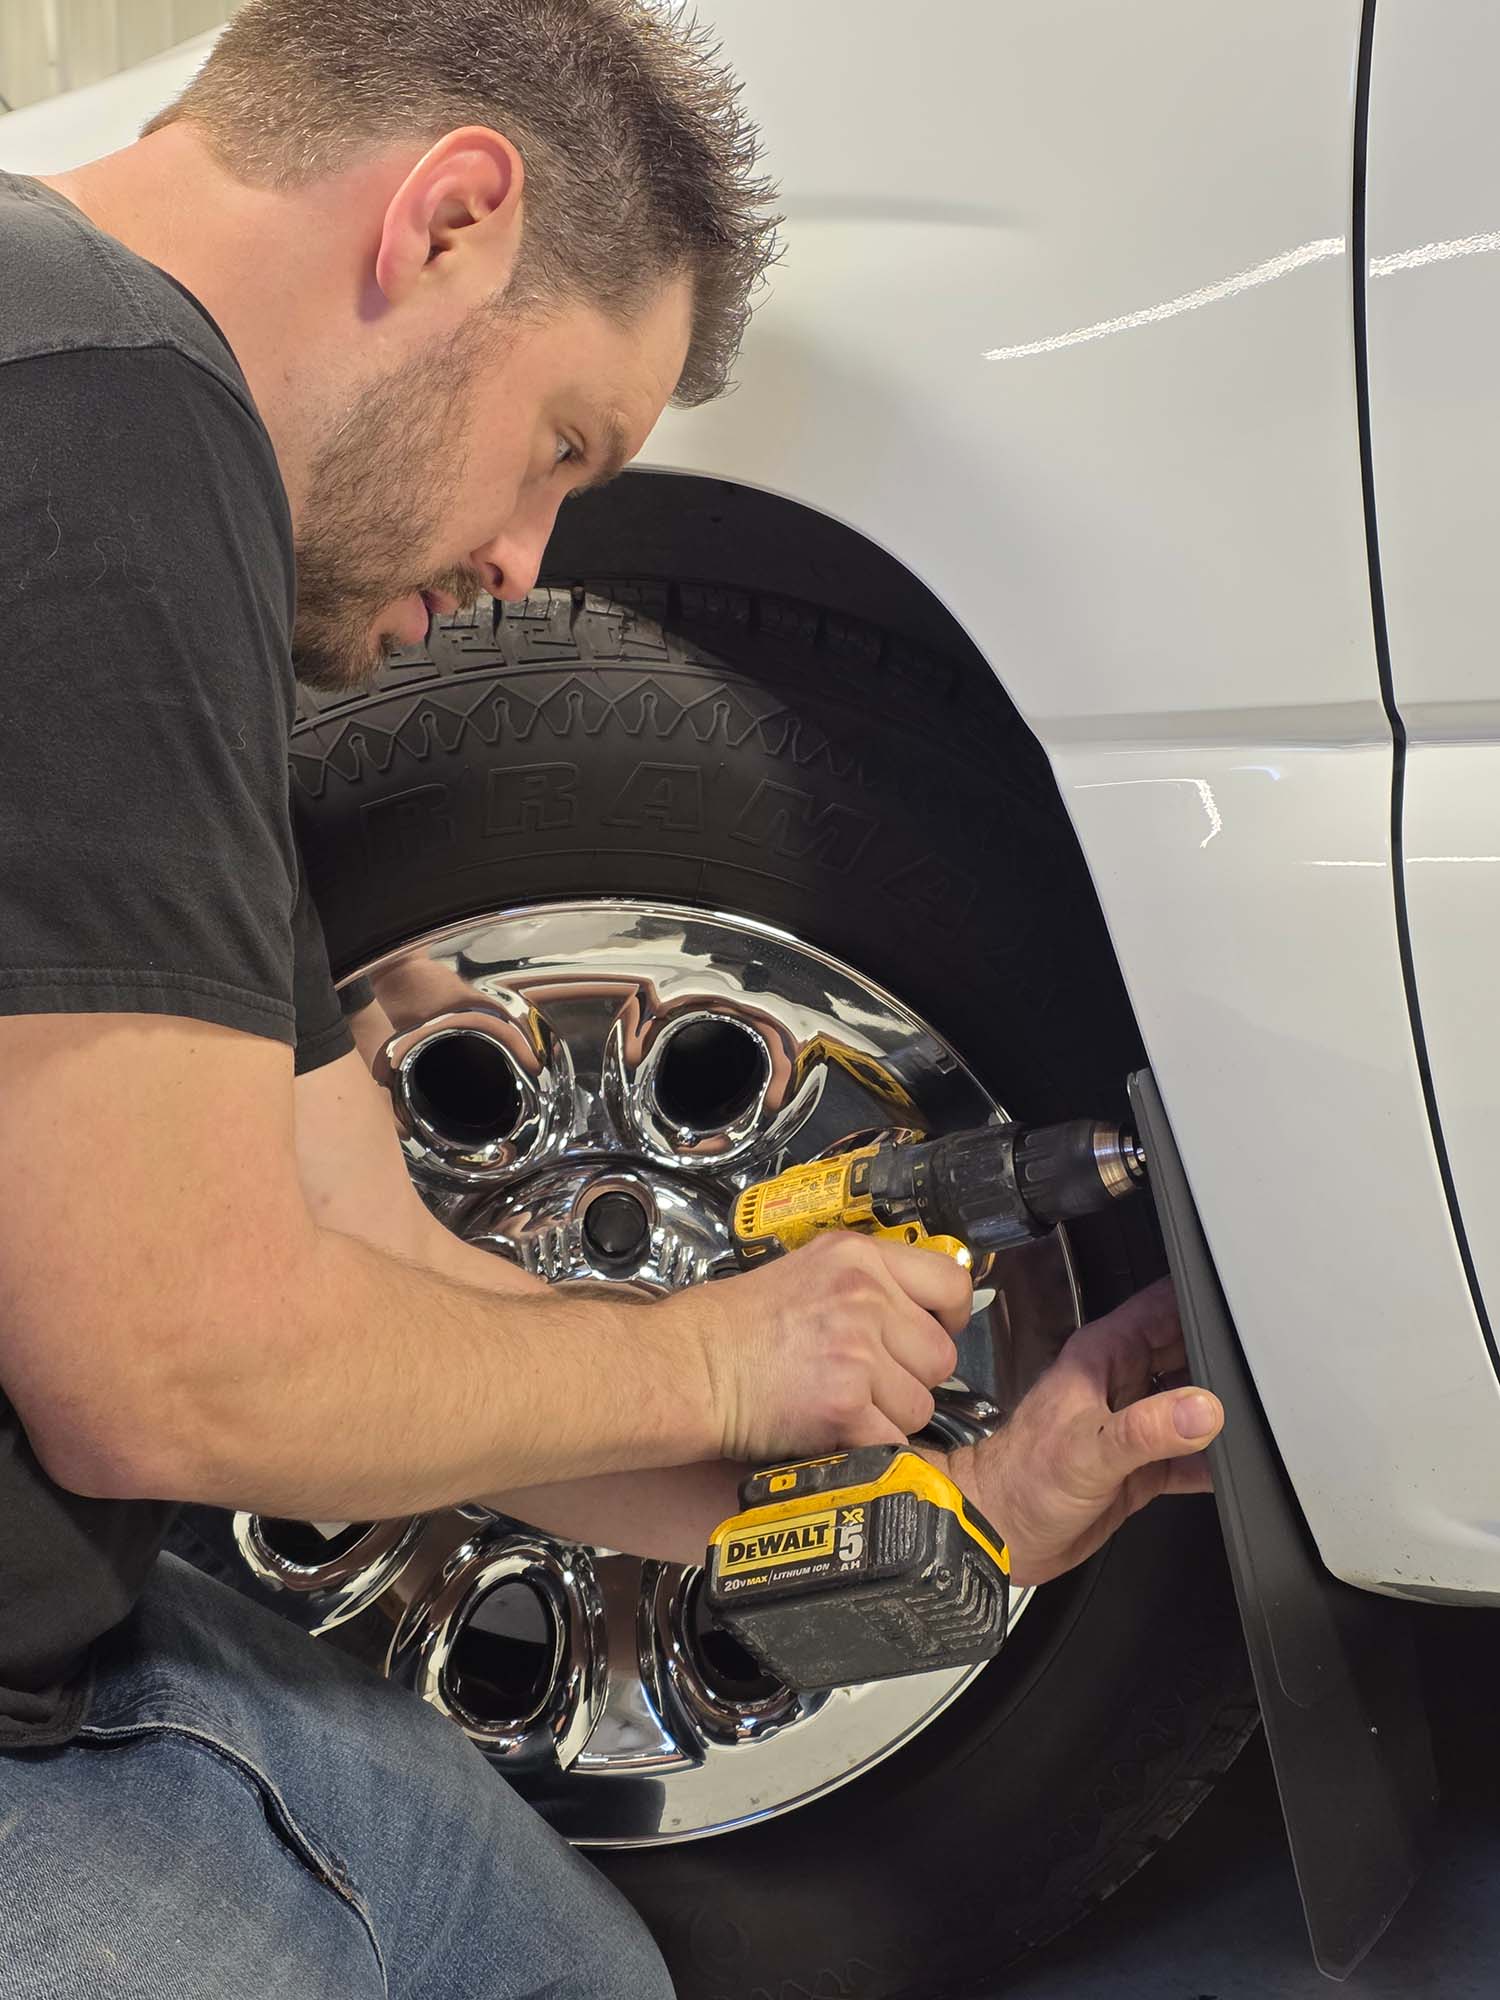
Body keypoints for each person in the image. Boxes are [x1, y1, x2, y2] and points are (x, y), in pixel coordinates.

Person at [0, 3, 1226, 1993]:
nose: (521, 556)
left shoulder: (82, 409)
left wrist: (953, 1517)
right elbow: (183, 1371)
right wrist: (739, 1353)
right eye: (565, 444)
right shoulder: (108, 408)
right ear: (453, 221)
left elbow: (358, 1267)